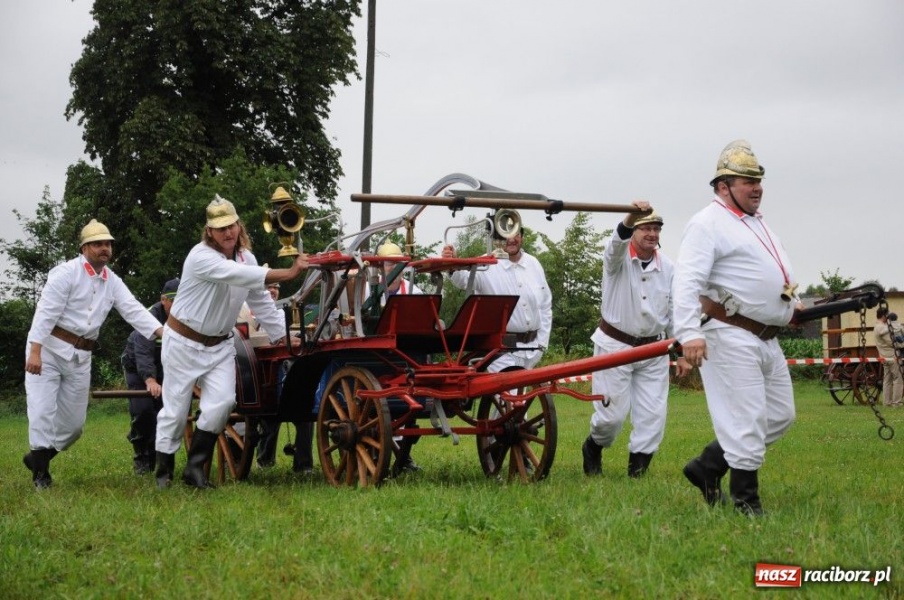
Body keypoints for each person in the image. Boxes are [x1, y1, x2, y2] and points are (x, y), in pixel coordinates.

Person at [673, 140, 800, 516]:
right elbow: (686, 281)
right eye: (748, 181)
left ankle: (708, 466)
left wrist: (790, 303)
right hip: (730, 333)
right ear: (723, 186)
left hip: (766, 336)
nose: (757, 188)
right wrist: (689, 333)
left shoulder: (757, 224)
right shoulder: (707, 223)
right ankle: (746, 502)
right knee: (745, 418)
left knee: (781, 415)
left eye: (758, 180)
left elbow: (770, 274)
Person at [155, 195, 309, 489]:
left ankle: (194, 469)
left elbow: (261, 301)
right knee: (175, 412)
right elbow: (238, 275)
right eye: (220, 228)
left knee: (224, 402)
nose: (228, 232)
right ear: (209, 231)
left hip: (221, 345)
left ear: (239, 226)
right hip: (183, 342)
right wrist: (290, 272)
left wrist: (283, 336)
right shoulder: (200, 257)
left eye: (232, 226)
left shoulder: (247, 258)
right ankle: (163, 473)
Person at [23, 219, 164, 489]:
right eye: (98, 244)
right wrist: (35, 351)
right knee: (41, 411)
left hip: (80, 357)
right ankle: (41, 476)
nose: (104, 249)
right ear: (84, 248)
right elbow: (45, 314)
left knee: (74, 427)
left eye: (108, 244)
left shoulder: (112, 281)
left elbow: (133, 310)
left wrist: (164, 334)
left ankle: (37, 458)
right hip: (48, 351)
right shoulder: (65, 274)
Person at [582, 203, 691, 479]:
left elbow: (674, 312)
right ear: (634, 231)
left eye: (656, 229)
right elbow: (615, 245)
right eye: (646, 228)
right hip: (614, 347)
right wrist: (631, 216)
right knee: (611, 418)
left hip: (653, 350)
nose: (652, 234)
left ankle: (637, 474)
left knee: (652, 416)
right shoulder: (616, 262)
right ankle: (593, 447)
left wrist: (680, 352)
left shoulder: (669, 268)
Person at [441, 222, 552, 374]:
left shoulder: (534, 264)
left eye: (515, 234)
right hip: (500, 352)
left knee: (521, 388)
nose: (511, 239)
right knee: (512, 388)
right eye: (505, 235)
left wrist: (542, 343)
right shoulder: (486, 264)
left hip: (532, 350)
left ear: (522, 236)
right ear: (496, 239)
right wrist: (452, 263)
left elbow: (545, 306)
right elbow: (463, 279)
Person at [121, 277, 180, 475]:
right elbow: (143, 353)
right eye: (174, 300)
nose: (179, 305)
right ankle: (141, 455)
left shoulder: (188, 318)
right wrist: (150, 379)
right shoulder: (148, 317)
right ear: (163, 300)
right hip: (137, 368)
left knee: (163, 413)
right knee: (144, 411)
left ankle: (158, 456)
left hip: (166, 368)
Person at [874, 307, 903, 407]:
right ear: (884, 315)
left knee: (887, 380)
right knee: (898, 378)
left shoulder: (876, 327)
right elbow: (893, 343)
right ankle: (897, 402)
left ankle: (887, 402)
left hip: (884, 356)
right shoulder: (882, 328)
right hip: (892, 356)